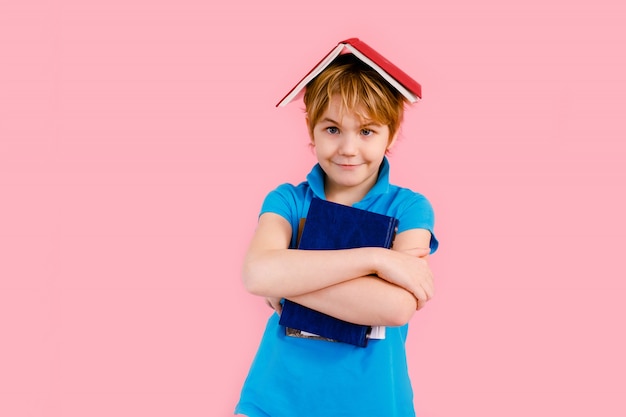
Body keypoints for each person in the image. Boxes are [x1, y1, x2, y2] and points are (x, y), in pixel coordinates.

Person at [234, 51, 439, 417]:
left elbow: (395, 307)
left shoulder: (408, 209)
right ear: (311, 129)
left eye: (366, 131)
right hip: (276, 399)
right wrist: (377, 259)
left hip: (373, 403)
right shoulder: (288, 201)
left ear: (390, 132)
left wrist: (288, 282)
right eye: (332, 129)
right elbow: (257, 274)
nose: (348, 148)